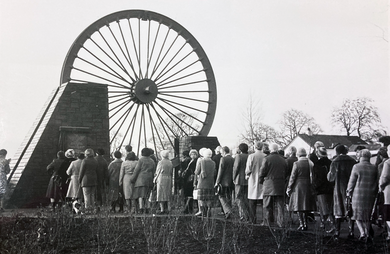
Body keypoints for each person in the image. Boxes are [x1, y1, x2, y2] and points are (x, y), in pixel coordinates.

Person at [347, 149, 378, 243]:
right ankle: (368, 233)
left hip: (358, 194)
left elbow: (351, 182)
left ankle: (362, 233)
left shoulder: (356, 167)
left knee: (357, 215)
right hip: (370, 194)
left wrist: (348, 192)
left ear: (360, 156)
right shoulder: (374, 167)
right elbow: (377, 181)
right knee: (368, 215)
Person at [327, 144, 357, 239]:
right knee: (349, 208)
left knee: (338, 210)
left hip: (338, 188)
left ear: (337, 151)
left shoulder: (335, 162)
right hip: (350, 188)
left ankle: (337, 232)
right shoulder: (352, 161)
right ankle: (351, 231)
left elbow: (331, 178)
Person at [286, 148, 316, 231]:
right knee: (305, 205)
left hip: (298, 185)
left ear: (298, 154)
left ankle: (302, 224)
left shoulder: (296, 163)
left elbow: (292, 177)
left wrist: (289, 188)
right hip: (308, 185)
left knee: (299, 206)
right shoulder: (310, 163)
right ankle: (305, 223)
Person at [260, 143, 288, 227]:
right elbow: (286, 171)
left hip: (269, 184)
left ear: (270, 149)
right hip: (280, 184)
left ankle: (267, 222)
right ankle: (281, 222)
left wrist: (261, 181)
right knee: (280, 205)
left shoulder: (267, 159)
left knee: (267, 205)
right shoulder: (284, 159)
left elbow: (262, 172)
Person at [313, 146, 335, 231]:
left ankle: (326, 225)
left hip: (321, 189)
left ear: (318, 153)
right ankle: (328, 224)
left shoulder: (317, 164)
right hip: (330, 188)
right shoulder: (331, 162)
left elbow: (317, 178)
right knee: (329, 207)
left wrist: (315, 187)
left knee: (323, 208)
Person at [245, 141, 266, 224]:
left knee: (252, 201)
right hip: (263, 179)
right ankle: (264, 219)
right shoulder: (265, 156)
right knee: (263, 201)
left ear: (255, 147)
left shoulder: (251, 156)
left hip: (253, 178)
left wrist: (247, 174)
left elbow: (248, 169)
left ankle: (253, 219)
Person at [131, 148, 155, 214]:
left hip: (141, 179)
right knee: (147, 195)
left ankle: (141, 208)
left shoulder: (141, 160)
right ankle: (147, 207)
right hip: (149, 179)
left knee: (140, 195)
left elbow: (136, 170)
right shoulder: (152, 161)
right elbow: (153, 171)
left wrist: (132, 179)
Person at [195, 148, 216, 217]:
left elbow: (197, 172)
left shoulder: (201, 161)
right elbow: (215, 172)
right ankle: (209, 211)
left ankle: (203, 212)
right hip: (210, 183)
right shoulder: (213, 163)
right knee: (209, 199)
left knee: (201, 199)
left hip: (202, 183)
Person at [215, 146, 234, 219]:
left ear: (224, 152)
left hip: (224, 181)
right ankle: (229, 210)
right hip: (231, 180)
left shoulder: (223, 159)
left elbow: (221, 171)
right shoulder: (233, 159)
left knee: (221, 196)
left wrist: (217, 181)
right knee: (229, 196)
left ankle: (227, 210)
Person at [233, 143, 249, 221]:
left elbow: (236, 168)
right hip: (248, 180)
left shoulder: (238, 156)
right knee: (246, 197)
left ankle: (242, 214)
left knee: (238, 197)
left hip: (239, 179)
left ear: (240, 149)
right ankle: (248, 214)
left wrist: (233, 178)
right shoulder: (250, 156)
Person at [154, 150, 173, 214]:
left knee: (161, 193)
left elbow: (158, 171)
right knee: (168, 193)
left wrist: (155, 179)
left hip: (162, 178)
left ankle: (162, 209)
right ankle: (169, 208)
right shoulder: (170, 162)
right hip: (168, 178)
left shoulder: (161, 162)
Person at [181, 149, 198, 214]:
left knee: (190, 193)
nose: (193, 155)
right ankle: (188, 208)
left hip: (191, 178)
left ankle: (188, 208)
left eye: (194, 154)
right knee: (188, 193)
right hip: (188, 178)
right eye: (191, 154)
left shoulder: (195, 161)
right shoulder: (191, 161)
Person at [379, 145, 390, 240]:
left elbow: (384, 177)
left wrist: (381, 186)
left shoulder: (388, 162)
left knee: (388, 213)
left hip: (389, 191)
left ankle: (389, 234)